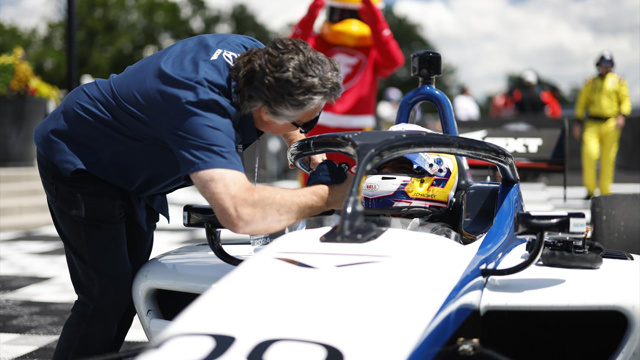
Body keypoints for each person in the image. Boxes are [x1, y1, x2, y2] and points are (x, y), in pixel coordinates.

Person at [33, 35, 351, 360]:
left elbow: (279, 112)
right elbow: (239, 212)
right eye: (307, 122)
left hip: (132, 161)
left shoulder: (259, 59)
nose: (308, 129)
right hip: (83, 156)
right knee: (105, 297)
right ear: (267, 111)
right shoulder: (200, 105)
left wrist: (296, 138)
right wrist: (330, 195)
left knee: (127, 291)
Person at [291, 0, 405, 178]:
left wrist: (373, 12)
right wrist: (313, 10)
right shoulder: (320, 42)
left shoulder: (373, 48)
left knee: (357, 188)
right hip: (318, 124)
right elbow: (292, 51)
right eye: (340, 13)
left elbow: (395, 61)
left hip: (358, 128)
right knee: (312, 185)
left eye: (355, 15)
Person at [573, 50, 632, 199]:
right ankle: (591, 190)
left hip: (611, 123)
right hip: (593, 122)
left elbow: (625, 100)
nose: (606, 67)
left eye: (609, 64)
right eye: (603, 64)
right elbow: (581, 102)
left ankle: (605, 191)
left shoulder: (618, 81)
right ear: (598, 65)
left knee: (608, 158)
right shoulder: (590, 82)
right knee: (589, 154)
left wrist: (622, 115)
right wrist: (578, 121)